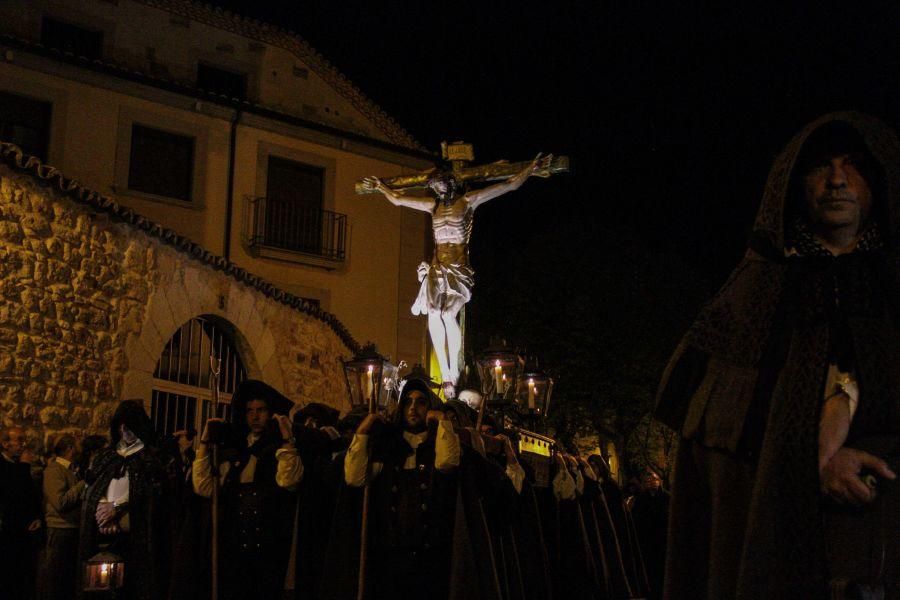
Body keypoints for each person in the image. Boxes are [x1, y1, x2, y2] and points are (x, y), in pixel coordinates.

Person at [655, 112, 900, 598]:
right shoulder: (752, 295)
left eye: (851, 166)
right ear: (792, 184)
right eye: (819, 168)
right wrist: (814, 461)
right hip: (773, 546)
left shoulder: (893, 288)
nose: (836, 181)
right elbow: (718, 429)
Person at [362, 155, 550, 397]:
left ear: (450, 183)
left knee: (448, 313)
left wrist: (529, 168)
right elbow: (398, 200)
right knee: (433, 314)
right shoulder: (433, 207)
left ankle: (454, 370)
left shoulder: (468, 201)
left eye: (439, 184)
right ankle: (446, 373)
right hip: (438, 267)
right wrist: (381, 187)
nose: (435, 188)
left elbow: (508, 185)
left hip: (459, 269)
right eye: (433, 186)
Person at [343, 375, 461, 598]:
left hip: (430, 557)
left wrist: (443, 420)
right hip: (390, 557)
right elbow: (354, 477)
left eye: (421, 402)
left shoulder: (439, 443)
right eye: (407, 401)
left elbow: (447, 462)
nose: (413, 408)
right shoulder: (388, 445)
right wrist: (362, 431)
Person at [193, 379, 302, 600]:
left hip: (268, 550)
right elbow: (203, 487)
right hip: (232, 550)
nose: (255, 416)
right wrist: (205, 441)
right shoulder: (234, 452)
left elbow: (289, 481)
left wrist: (286, 439)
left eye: (260, 410)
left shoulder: (281, 451)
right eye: (250, 411)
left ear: (270, 413)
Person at [78, 400, 177, 600]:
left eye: (129, 424)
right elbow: (92, 487)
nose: (124, 429)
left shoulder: (152, 458)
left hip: (136, 541)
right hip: (104, 536)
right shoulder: (107, 457)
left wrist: (117, 508)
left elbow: (153, 493)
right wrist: (102, 510)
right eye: (121, 424)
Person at [39, 434, 86, 600]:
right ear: (70, 449)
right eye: (78, 444)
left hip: (71, 530)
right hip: (60, 531)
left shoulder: (71, 470)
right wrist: (82, 484)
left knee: (67, 580)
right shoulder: (54, 471)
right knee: (56, 580)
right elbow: (60, 502)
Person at [0, 426, 42, 600]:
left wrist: (37, 517)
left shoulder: (18, 466)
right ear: (5, 443)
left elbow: (31, 496)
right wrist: (25, 466)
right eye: (19, 440)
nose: (23, 445)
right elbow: (13, 493)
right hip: (8, 533)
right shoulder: (4, 466)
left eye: (24, 440)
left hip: (24, 532)